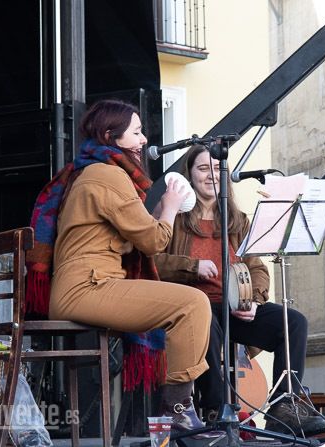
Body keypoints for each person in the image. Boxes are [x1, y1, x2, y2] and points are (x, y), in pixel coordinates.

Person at [34, 99, 212, 432]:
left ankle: (177, 411)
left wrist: (159, 212)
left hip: (83, 285)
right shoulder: (108, 175)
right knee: (193, 304)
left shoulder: (90, 171)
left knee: (191, 305)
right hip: (87, 287)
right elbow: (154, 242)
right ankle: (177, 410)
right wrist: (171, 207)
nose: (144, 140)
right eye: (136, 132)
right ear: (110, 135)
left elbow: (139, 235)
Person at [153, 144, 325, 435]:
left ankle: (283, 407)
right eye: (203, 168)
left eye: (217, 169)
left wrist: (254, 301)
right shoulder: (175, 217)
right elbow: (153, 262)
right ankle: (216, 409)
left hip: (234, 308)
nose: (211, 175)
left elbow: (257, 268)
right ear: (189, 174)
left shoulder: (238, 221)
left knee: (293, 322)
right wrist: (192, 267)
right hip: (191, 309)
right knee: (205, 319)